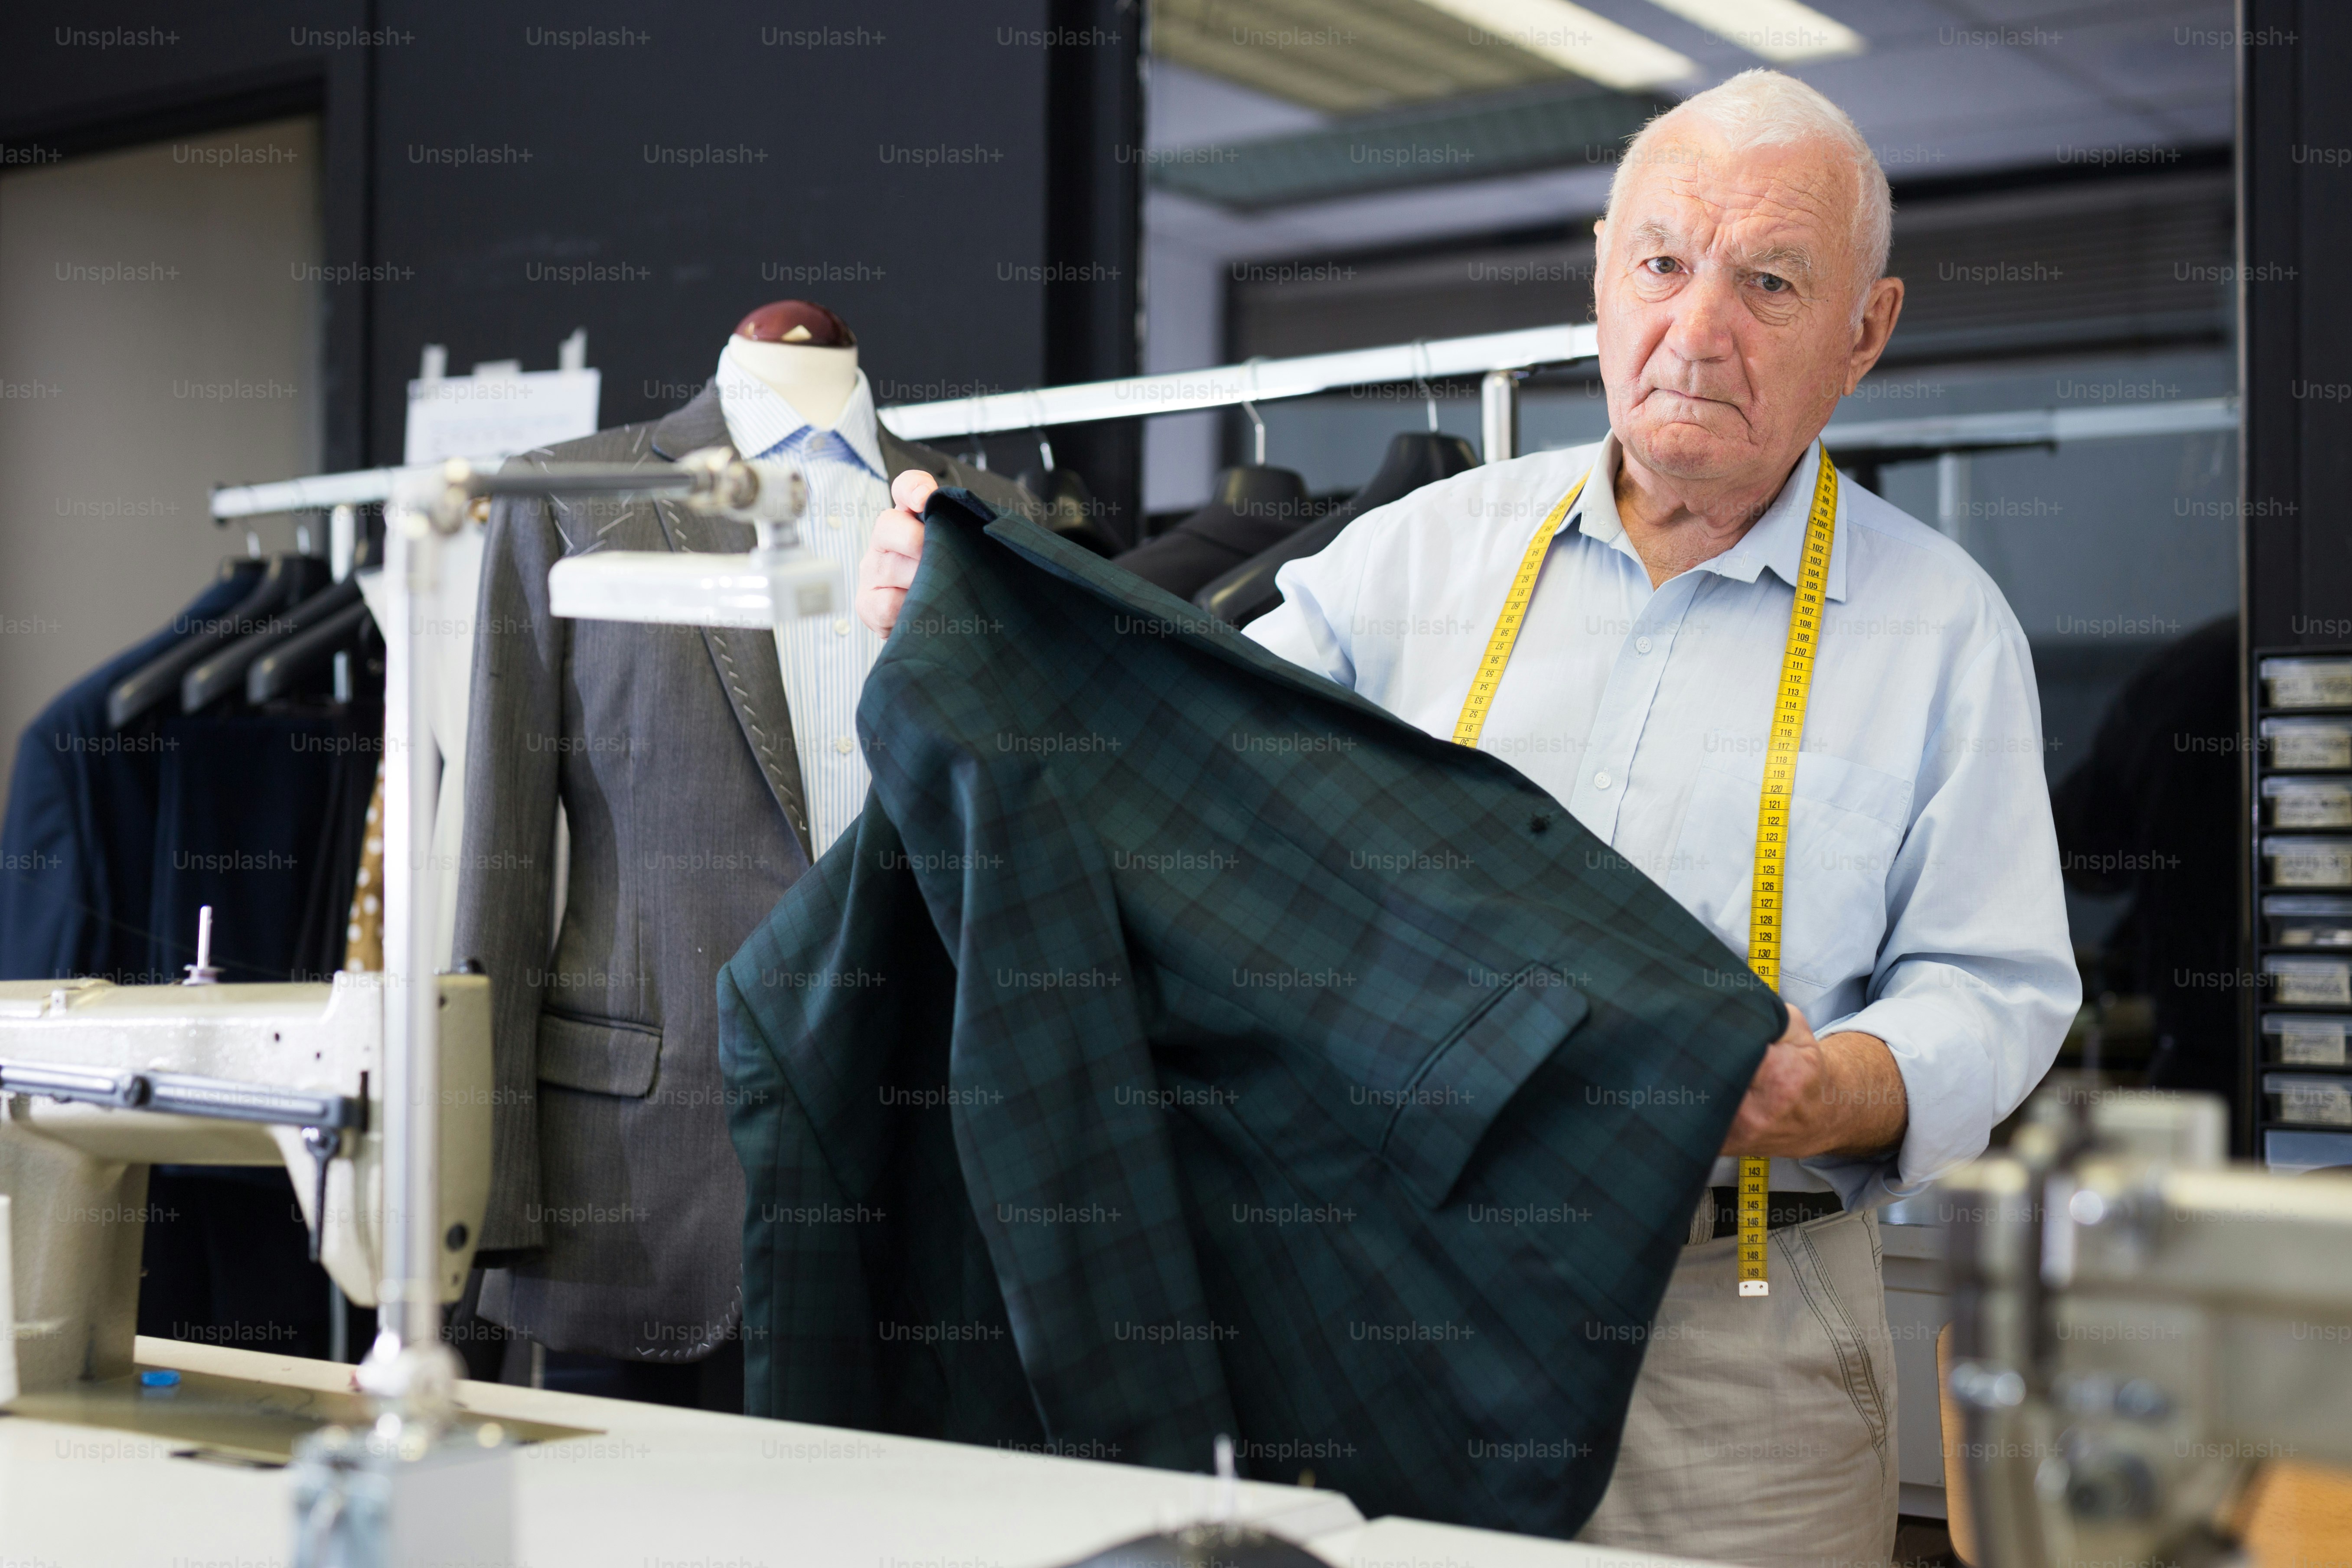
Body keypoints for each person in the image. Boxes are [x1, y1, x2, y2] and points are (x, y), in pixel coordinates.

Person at [855, 69, 2076, 1568]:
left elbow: (1996, 985)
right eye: (1660, 263)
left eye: (1768, 282)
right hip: (1407, 1294)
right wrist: (974, 636)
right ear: (1599, 277)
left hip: (1735, 1345)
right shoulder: (1412, 561)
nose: (1696, 332)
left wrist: (1832, 1089)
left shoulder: (1943, 627)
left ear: (1865, 331)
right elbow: (1182, 795)